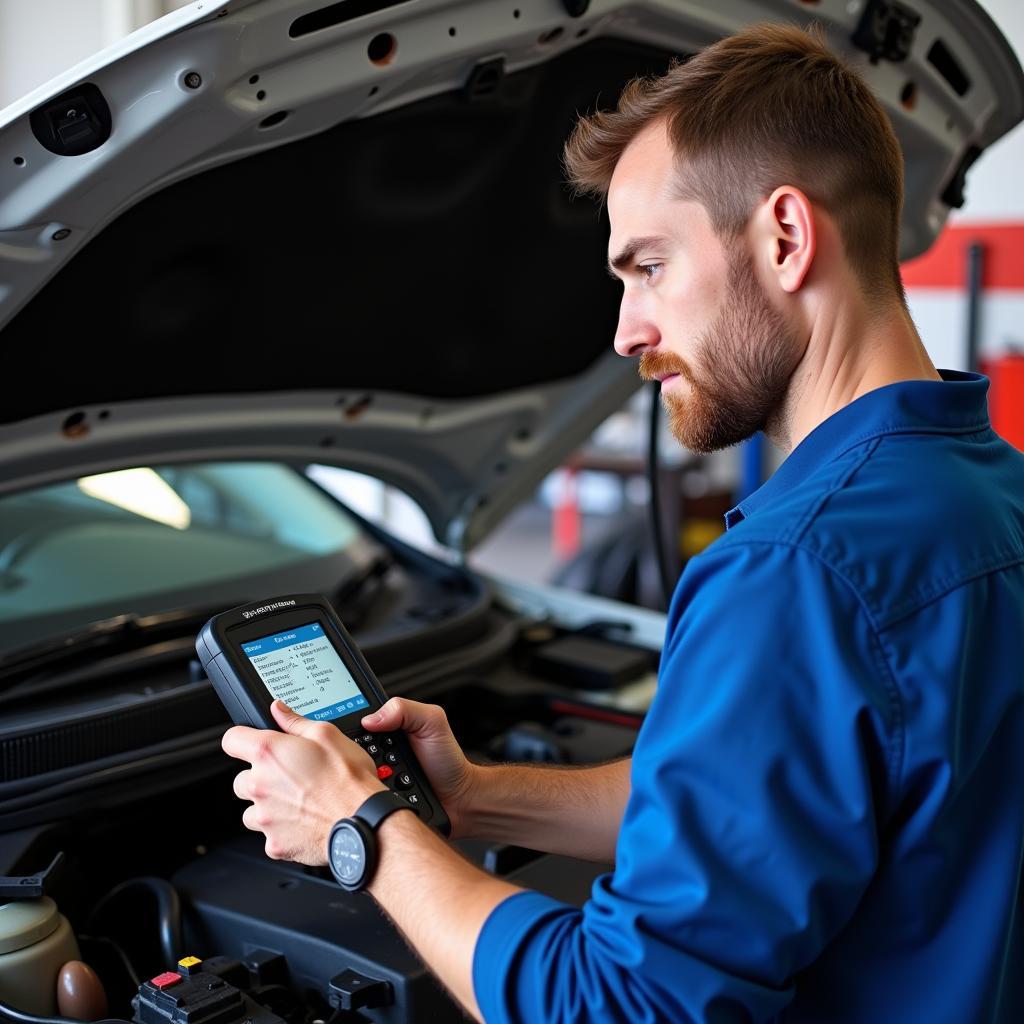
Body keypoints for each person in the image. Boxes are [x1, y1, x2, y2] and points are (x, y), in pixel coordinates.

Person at [222, 22, 1024, 1023]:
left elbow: (617, 1004)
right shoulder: (990, 492)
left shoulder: (798, 571)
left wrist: (364, 828)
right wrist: (467, 796)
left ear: (784, 237)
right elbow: (750, 804)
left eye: (647, 266)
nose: (624, 331)